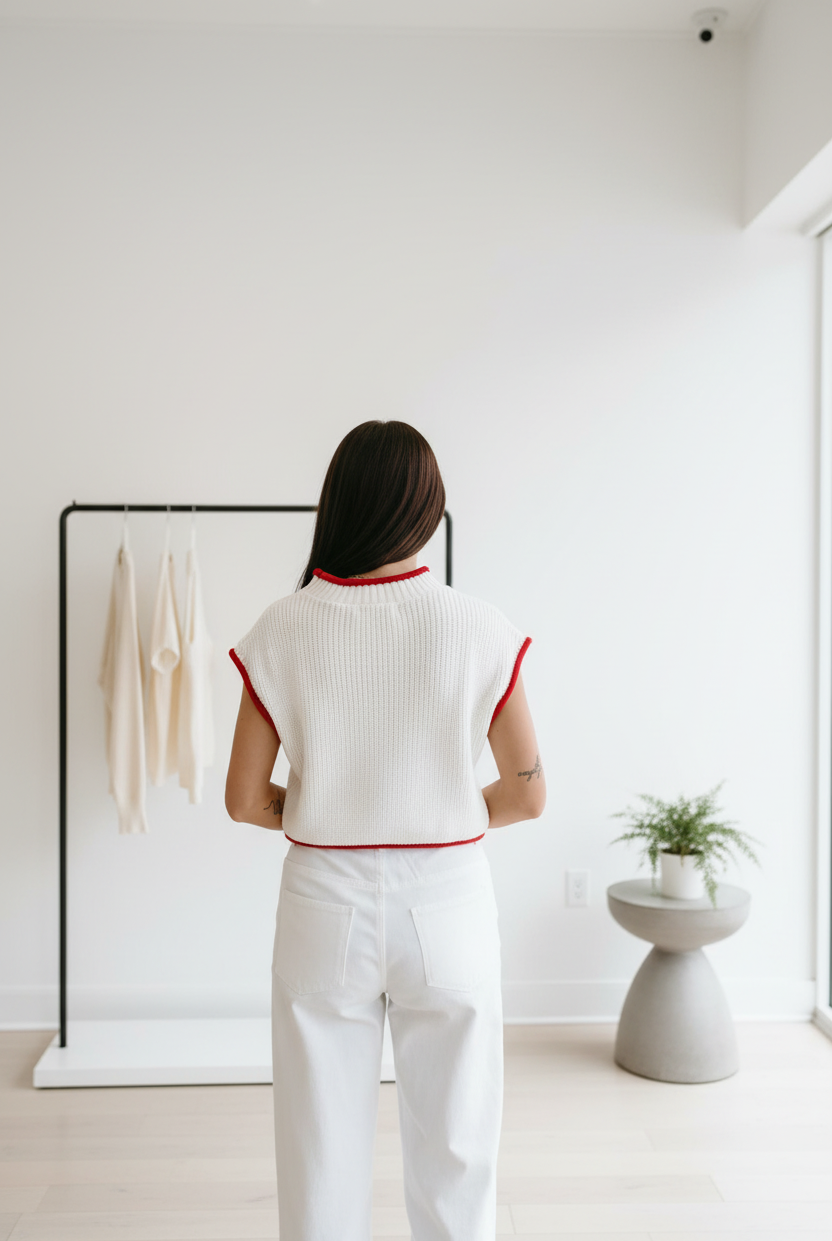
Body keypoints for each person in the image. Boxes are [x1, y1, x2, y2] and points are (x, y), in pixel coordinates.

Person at [225, 421, 545, 1241]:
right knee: (458, 1150)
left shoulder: (282, 627)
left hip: (322, 906)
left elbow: (242, 798)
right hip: (449, 904)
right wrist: (437, 809)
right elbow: (528, 792)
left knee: (319, 1152)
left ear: (340, 504)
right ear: (428, 510)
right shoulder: (480, 626)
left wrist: (337, 803)